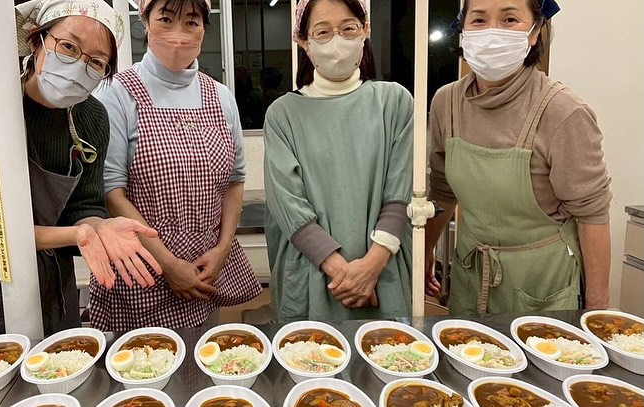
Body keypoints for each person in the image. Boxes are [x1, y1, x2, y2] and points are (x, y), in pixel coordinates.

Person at [0, 0, 160, 344]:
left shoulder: (92, 118)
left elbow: (83, 205)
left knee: (60, 366)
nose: (78, 67)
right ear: (37, 41)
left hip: (53, 269)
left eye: (96, 62)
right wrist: (75, 235)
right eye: (68, 47)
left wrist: (98, 226)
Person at [425, 0, 612, 314]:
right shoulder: (447, 103)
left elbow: (592, 215)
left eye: (509, 19)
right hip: (471, 276)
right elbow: (442, 190)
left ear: (535, 31)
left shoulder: (563, 112)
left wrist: (596, 312)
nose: (492, 32)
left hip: (542, 285)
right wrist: (426, 252)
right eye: (479, 20)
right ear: (462, 28)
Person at [93, 0, 262, 330]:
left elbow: (235, 180)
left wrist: (223, 248)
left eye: (191, 22)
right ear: (145, 21)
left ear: (204, 29)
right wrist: (168, 264)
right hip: (142, 267)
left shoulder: (221, 96)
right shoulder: (116, 93)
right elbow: (112, 192)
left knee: (203, 353)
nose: (178, 34)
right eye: (166, 19)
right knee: (145, 359)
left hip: (206, 267)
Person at [263, 0, 414, 322]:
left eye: (348, 29)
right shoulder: (283, 115)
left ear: (365, 31)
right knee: (311, 349)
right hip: (313, 271)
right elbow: (288, 205)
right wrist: (344, 274)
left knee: (387, 349)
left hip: (382, 266)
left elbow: (400, 194)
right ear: (304, 42)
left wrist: (371, 267)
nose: (337, 41)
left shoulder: (394, 102)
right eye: (322, 32)